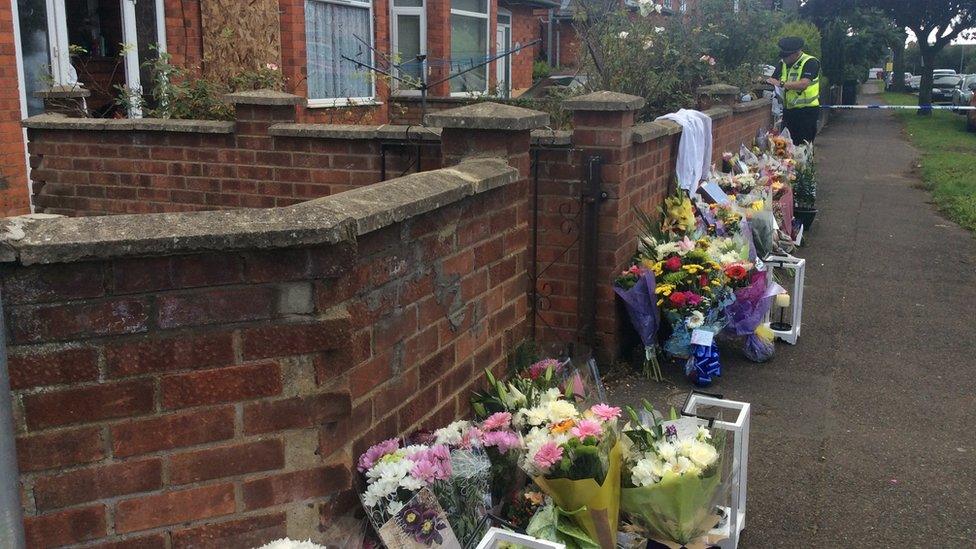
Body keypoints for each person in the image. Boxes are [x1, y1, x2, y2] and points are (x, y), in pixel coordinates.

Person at [766, 36, 821, 145]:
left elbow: (804, 84)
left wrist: (782, 84)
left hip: (807, 112)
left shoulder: (810, 62)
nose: (784, 59)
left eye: (787, 56)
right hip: (789, 111)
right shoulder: (782, 63)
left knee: (803, 146)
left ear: (796, 53)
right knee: (786, 146)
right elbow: (772, 79)